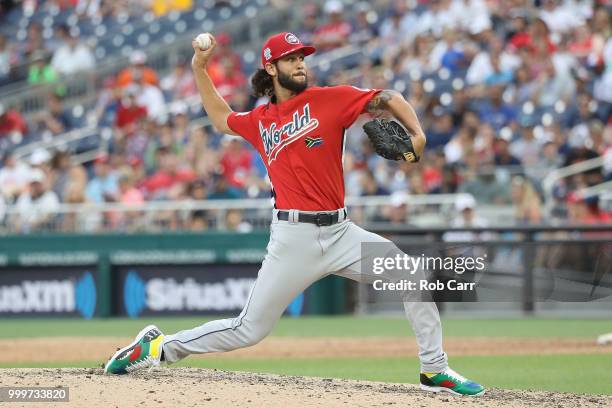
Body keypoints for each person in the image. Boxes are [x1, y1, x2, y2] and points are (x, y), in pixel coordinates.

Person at [104, 32, 485, 397]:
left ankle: (434, 369)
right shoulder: (260, 120)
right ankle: (160, 347)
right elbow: (222, 119)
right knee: (248, 329)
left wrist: (416, 135)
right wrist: (199, 70)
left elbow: (388, 97)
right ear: (271, 68)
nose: (300, 63)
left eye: (302, 56)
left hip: (342, 233)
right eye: (291, 58)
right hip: (293, 239)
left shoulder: (329, 99)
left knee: (411, 275)